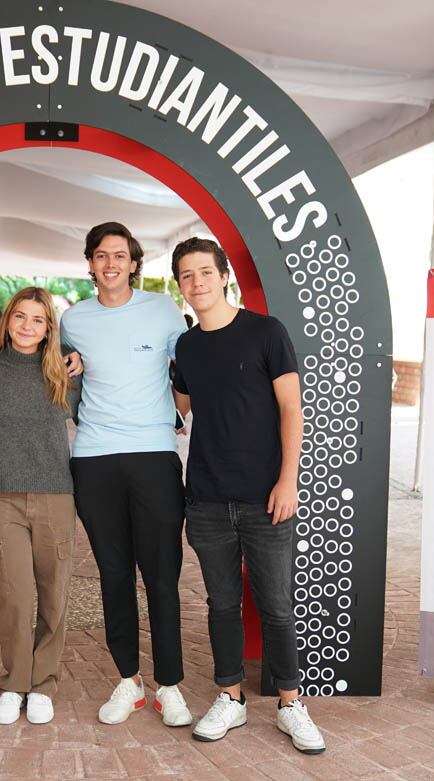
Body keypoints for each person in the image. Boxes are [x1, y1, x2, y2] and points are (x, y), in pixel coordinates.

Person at [169, 237, 325, 754]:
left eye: (205, 273)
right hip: (207, 499)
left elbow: (291, 408)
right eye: (187, 276)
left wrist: (288, 480)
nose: (197, 283)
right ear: (181, 285)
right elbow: (185, 407)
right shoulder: (187, 347)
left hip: (266, 497)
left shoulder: (266, 332)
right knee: (221, 604)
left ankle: (290, 704)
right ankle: (230, 698)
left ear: (223, 276)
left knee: (278, 606)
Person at [59, 221, 193, 727]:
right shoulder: (74, 319)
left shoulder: (162, 310)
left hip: (154, 454)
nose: (110, 264)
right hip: (93, 458)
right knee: (114, 574)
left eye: (120, 255)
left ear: (134, 262)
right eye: (100, 255)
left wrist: (180, 416)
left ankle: (170, 685)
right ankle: (128, 681)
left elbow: (187, 371)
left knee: (162, 575)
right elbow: (60, 371)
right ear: (90, 264)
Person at [0, 287, 80, 726]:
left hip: (55, 494)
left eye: (38, 319)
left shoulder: (64, 373)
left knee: (54, 594)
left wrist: (74, 356)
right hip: (3, 497)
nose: (27, 326)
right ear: (7, 319)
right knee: (13, 595)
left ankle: (44, 683)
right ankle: (15, 682)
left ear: (49, 326)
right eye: (20, 317)